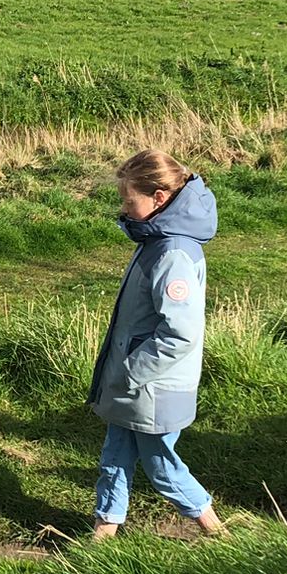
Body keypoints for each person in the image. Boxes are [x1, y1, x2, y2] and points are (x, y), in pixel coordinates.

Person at [88, 149, 226, 540]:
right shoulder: (156, 239)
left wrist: (131, 371)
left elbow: (179, 332)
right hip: (135, 383)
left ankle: (215, 529)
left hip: (154, 385)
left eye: (128, 199)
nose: (124, 208)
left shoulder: (173, 253)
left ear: (159, 198)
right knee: (115, 454)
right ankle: (104, 529)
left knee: (161, 465)